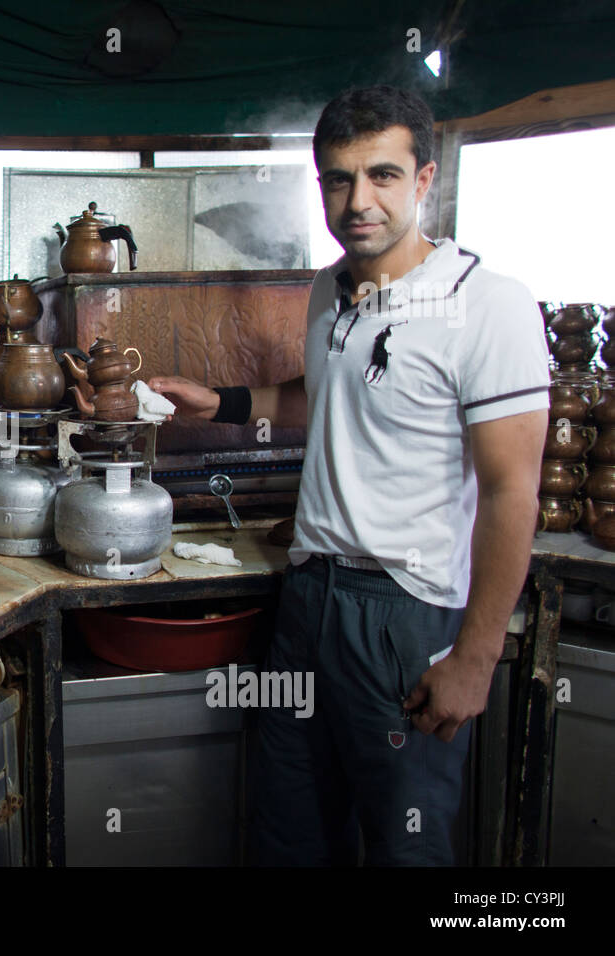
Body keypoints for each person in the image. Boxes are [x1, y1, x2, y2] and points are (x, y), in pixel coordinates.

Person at [149, 85, 549, 865]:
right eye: (338, 178)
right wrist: (221, 400)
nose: (357, 200)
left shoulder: (488, 305)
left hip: (406, 616)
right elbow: (323, 396)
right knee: (290, 834)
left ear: (425, 180)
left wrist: (476, 657)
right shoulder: (331, 290)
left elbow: (512, 493)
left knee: (406, 845)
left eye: (382, 176)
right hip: (309, 598)